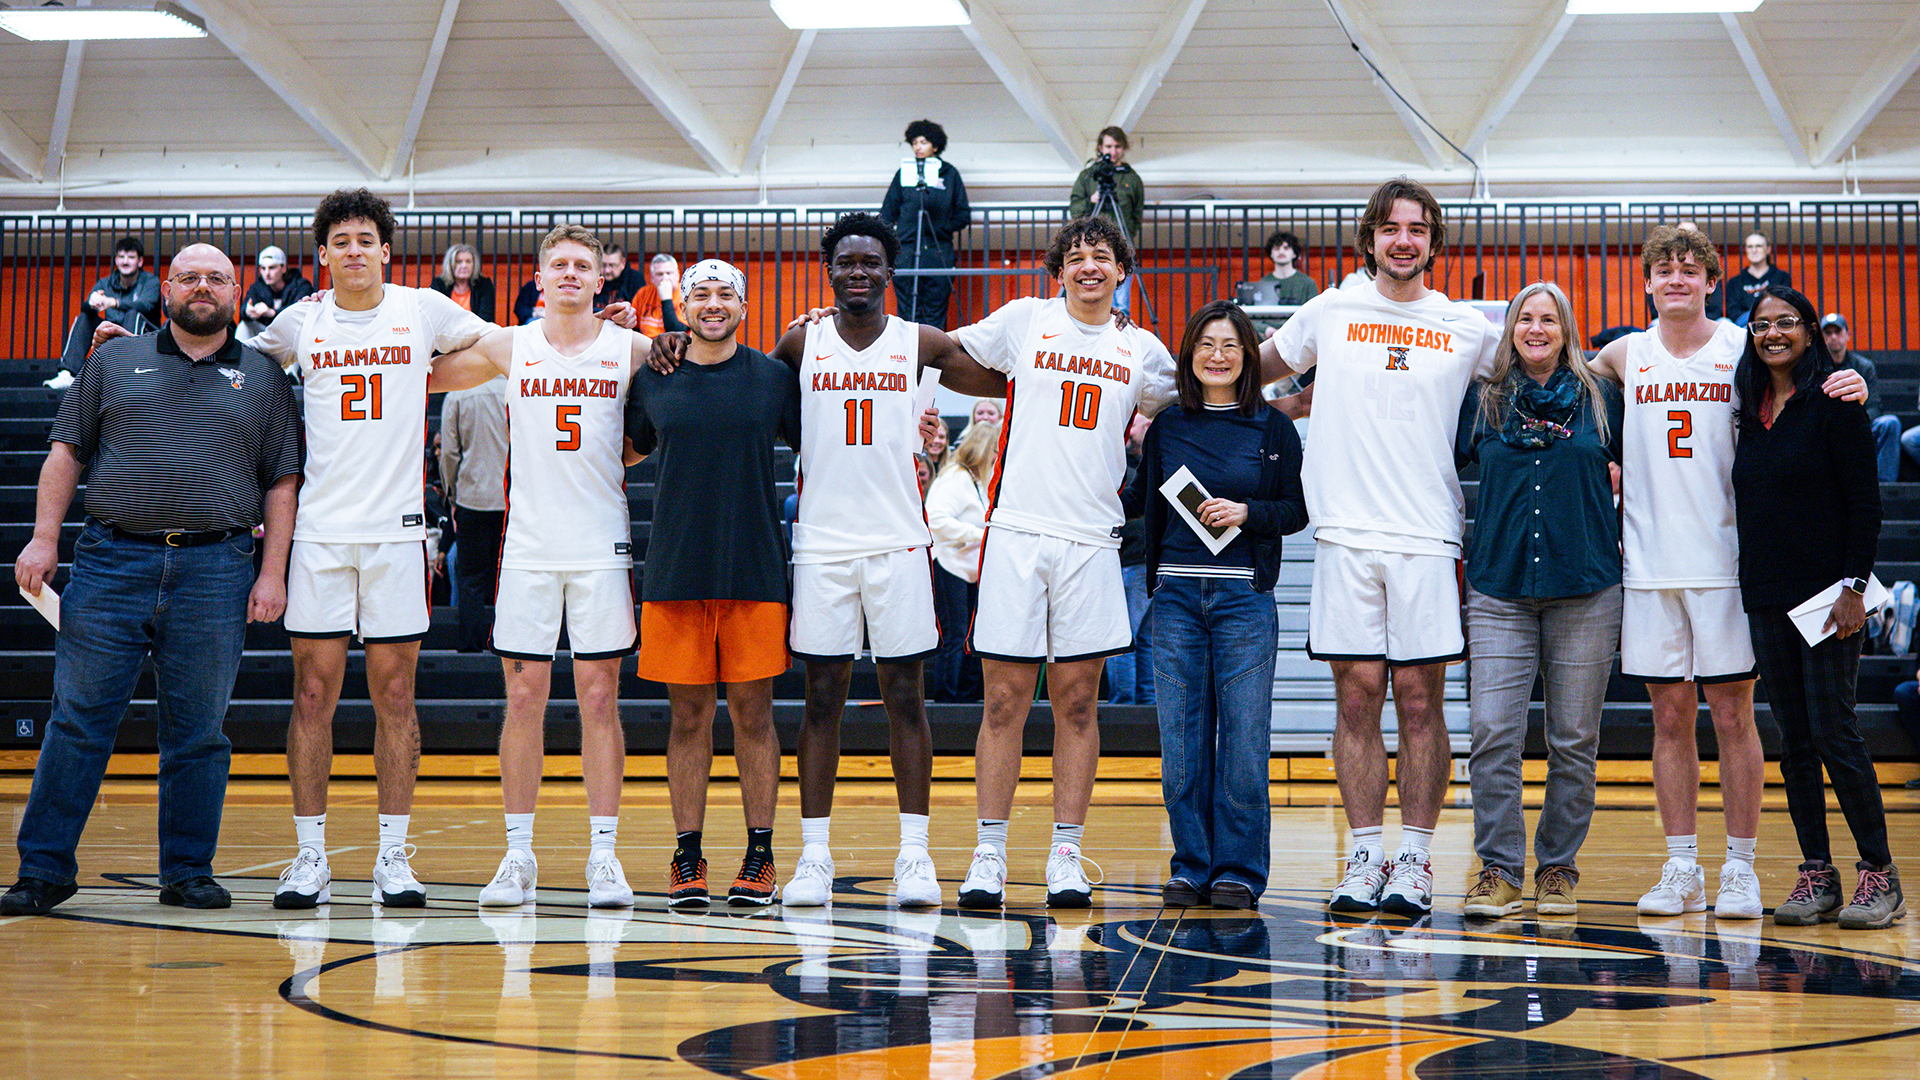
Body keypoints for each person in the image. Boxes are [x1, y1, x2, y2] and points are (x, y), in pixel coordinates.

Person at [2, 243, 302, 916]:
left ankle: (188, 871)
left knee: (198, 730)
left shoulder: (263, 377)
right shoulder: (111, 359)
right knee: (77, 721)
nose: (203, 287)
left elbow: (282, 483)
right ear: (164, 288)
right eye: (190, 276)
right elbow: (65, 452)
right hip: (111, 563)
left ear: (235, 291)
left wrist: (272, 573)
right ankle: (43, 872)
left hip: (215, 570)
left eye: (216, 278)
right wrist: (44, 537)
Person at [1586, 225, 1864, 921]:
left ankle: (1740, 867)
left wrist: (1849, 376)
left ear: (1714, 280)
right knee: (1669, 718)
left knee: (1735, 715)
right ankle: (1682, 865)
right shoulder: (1625, 354)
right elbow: (1550, 371)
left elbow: (1809, 394)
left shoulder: (1744, 348)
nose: (1676, 278)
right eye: (1664, 269)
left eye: (1689, 269)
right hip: (1649, 567)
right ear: (1646, 281)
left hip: (1728, 564)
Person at [1254, 177, 1502, 917]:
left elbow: (1549, 367)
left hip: (1427, 536)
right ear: (1370, 238)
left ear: (1433, 241)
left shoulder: (1464, 327)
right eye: (1391, 228)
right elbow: (1241, 366)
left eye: (1418, 230)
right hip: (1344, 535)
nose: (1404, 241)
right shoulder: (1328, 310)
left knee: (1422, 701)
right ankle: (1364, 854)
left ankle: (1417, 860)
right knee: (1356, 697)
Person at [245, 189, 496, 909]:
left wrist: (432, 375)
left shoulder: (423, 310)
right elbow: (228, 366)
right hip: (320, 536)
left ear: (387, 250)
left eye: (366, 238)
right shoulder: (300, 321)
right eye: (341, 240)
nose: (354, 249)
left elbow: (500, 347)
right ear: (322, 255)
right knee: (313, 694)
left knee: (394, 695)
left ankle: (392, 856)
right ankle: (310, 857)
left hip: (397, 536)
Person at [952, 215, 1177, 910]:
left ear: (1121, 271)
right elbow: (941, 350)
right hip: (1018, 530)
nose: (1088, 265)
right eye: (1075, 256)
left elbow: (1203, 393)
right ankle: (988, 853)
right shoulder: (1025, 320)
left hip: (1092, 540)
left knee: (1078, 702)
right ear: (1059, 271)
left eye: (1101, 256)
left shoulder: (1141, 349)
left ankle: (1067, 855)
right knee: (1003, 700)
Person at [429, 225, 650, 910]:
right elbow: (422, 368)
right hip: (526, 545)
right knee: (522, 699)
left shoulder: (633, 348)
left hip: (600, 543)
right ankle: (518, 855)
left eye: (583, 265)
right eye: (559, 264)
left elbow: (705, 362)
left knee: (598, 699)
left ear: (599, 279)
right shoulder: (509, 343)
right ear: (539, 276)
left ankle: (604, 857)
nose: (570, 274)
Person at [624, 259, 801, 909]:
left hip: (754, 566)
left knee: (755, 715)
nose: (714, 302)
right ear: (683, 306)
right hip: (676, 569)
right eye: (701, 293)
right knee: (688, 717)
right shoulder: (655, 377)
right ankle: (687, 855)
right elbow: (625, 448)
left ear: (745, 307)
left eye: (727, 293)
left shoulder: (773, 380)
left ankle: (759, 855)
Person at [1124, 300, 1307, 910]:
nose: (1218, 355)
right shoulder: (1170, 425)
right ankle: (1190, 864)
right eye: (1206, 344)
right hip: (1175, 596)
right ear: (1189, 355)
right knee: (1181, 739)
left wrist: (1248, 512)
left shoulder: (1273, 428)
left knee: (1245, 741)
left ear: (1248, 356)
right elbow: (1138, 505)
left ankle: (1238, 871)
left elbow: (1296, 511)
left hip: (1243, 600)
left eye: (1231, 345)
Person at [1731, 285, 1900, 930]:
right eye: (1761, 324)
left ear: (1808, 330)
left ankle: (1879, 876)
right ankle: (1817, 874)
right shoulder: (1746, 407)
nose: (1773, 333)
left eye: (1786, 323)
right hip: (1767, 598)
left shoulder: (1835, 402)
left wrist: (1856, 588)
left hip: (1831, 601)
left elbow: (1866, 504)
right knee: (1795, 741)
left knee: (1835, 731)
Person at [1455, 282, 1623, 919]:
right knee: (1493, 732)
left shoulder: (1601, 398)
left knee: (1574, 738)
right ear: (1509, 328)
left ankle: (1557, 869)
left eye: (1548, 318)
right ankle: (1497, 868)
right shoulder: (1484, 402)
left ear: (1566, 328)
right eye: (1525, 317)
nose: (1536, 327)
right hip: (1499, 588)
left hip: (1586, 589)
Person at [437, 364, 509, 654]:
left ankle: (470, 645)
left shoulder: (458, 394)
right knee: (508, 574)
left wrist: (452, 494)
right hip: (511, 495)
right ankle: (506, 642)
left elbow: (450, 454)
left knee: (470, 577)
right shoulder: (515, 389)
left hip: (472, 497)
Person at [925, 420, 997, 704]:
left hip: (969, 569)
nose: (996, 457)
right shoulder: (956, 476)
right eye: (994, 451)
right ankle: (946, 701)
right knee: (955, 637)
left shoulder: (976, 480)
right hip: (949, 565)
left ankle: (966, 698)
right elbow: (936, 518)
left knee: (968, 639)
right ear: (982, 449)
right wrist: (978, 535)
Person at [880, 119, 972, 328]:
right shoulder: (904, 173)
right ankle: (907, 357)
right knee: (907, 311)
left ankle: (934, 358)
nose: (918, 147)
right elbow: (887, 212)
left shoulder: (949, 174)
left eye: (923, 142)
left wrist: (942, 228)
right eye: (914, 143)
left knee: (935, 312)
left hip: (938, 251)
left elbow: (963, 214)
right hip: (906, 250)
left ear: (935, 146)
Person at [50, 235, 161, 388]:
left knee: (133, 314)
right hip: (113, 338)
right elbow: (85, 307)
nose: (125, 261)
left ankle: (127, 373)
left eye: (130, 257)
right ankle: (68, 374)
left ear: (140, 261)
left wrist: (114, 303)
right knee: (85, 317)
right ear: (116, 260)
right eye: (121, 257)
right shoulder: (105, 283)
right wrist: (92, 303)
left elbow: (144, 305)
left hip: (145, 340)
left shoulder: (151, 282)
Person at [1105, 414, 1155, 706]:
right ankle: (1136, 705)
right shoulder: (1117, 464)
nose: (1145, 426)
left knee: (1129, 639)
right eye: (1140, 422)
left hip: (1141, 563)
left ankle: (1132, 707)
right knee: (1137, 639)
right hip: (1134, 560)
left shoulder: (1141, 465)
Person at [1069, 127, 1145, 316]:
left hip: (1121, 246)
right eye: (1109, 146)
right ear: (1100, 148)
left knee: (1122, 305)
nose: (1113, 151)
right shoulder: (1088, 176)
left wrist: (1128, 233)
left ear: (1123, 148)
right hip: (1089, 246)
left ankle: (1119, 342)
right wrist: (1091, 200)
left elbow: (1137, 214)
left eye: (1117, 146)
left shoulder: (1131, 178)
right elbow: (1075, 210)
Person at [1822, 313, 1901, 481]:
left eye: (1837, 331)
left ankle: (1883, 485)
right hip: (1828, 430)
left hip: (1861, 425)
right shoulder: (1817, 367)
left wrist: (1856, 422)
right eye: (1828, 333)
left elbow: (1875, 406)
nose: (1833, 337)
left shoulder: (1864, 366)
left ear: (1848, 334)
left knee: (1890, 423)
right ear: (1822, 337)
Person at [1239, 230, 1318, 338]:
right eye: (1276, 248)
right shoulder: (1262, 284)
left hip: (1298, 336)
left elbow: (1314, 316)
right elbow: (1252, 318)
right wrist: (1266, 329)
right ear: (1271, 254)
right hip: (1266, 337)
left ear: (1294, 253)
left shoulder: (1308, 283)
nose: (1281, 252)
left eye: (1286, 248)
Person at [241, 246, 314, 339]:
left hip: (293, 335)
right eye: (263, 268)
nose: (267, 273)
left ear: (283, 268)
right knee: (244, 325)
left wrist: (271, 312)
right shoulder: (257, 287)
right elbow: (242, 311)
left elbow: (300, 314)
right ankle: (240, 354)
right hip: (266, 335)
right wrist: (248, 312)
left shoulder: (300, 285)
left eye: (272, 268)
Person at [1723, 232, 1790, 327]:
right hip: (1744, 326)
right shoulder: (1735, 282)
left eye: (1758, 246)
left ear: (1768, 249)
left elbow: (1783, 306)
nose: (1754, 250)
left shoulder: (1781, 277)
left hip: (1773, 324)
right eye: (1750, 247)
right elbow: (1733, 313)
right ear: (1745, 250)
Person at [430, 242, 496, 323]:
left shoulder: (484, 285)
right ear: (450, 265)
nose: (464, 266)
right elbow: (435, 316)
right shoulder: (439, 285)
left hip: (477, 334)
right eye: (458, 262)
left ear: (474, 264)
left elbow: (486, 319)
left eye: (468, 261)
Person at [631, 253, 686, 336]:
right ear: (652, 278)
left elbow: (676, 332)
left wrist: (666, 299)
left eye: (669, 273)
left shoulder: (685, 294)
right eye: (660, 274)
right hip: (646, 345)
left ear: (677, 275)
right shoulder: (643, 294)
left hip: (674, 346)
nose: (665, 278)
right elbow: (633, 327)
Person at [594, 244, 646, 310]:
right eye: (603, 265)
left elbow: (641, 309)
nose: (607, 270)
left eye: (612, 265)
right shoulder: (594, 278)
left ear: (623, 263)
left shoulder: (635, 279)